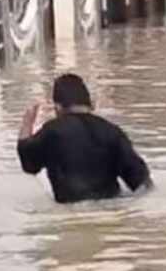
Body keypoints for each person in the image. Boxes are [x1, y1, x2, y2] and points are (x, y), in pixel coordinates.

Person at [17, 74, 152, 204]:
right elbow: (142, 184)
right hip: (110, 210)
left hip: (70, 214)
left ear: (57, 107)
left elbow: (29, 164)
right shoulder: (112, 131)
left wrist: (27, 123)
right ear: (91, 104)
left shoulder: (52, 131)